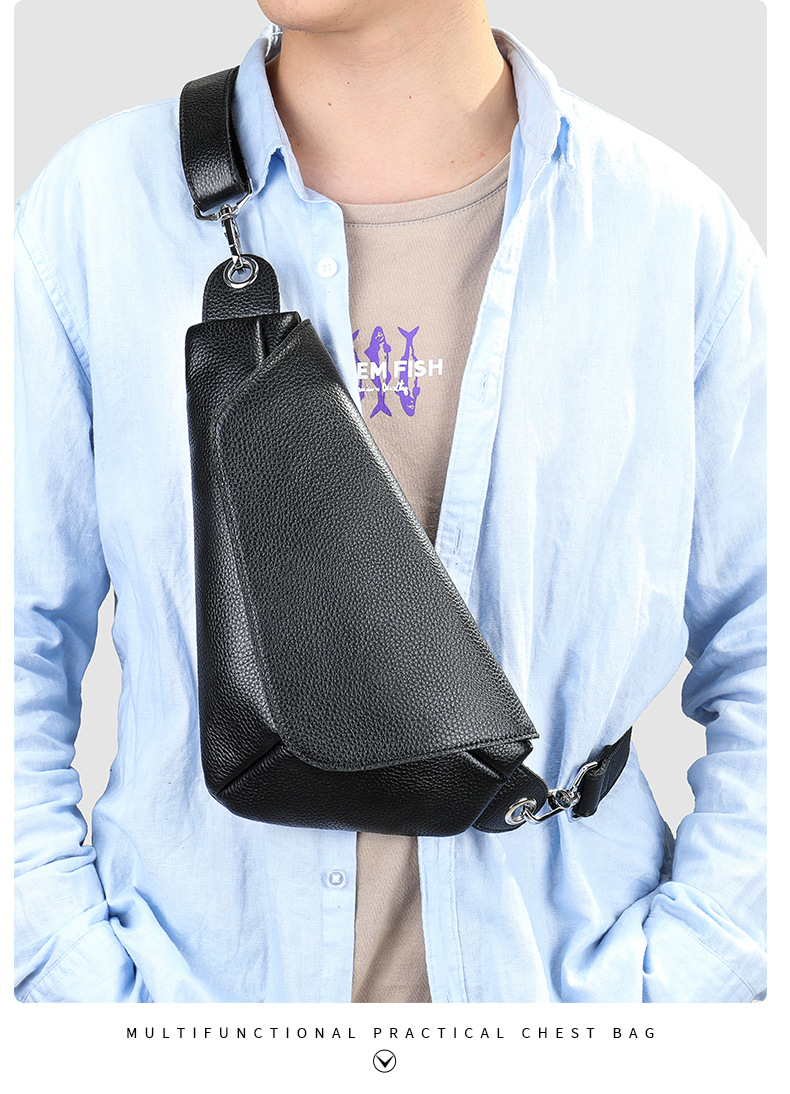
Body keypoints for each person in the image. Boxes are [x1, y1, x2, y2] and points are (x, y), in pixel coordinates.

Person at [14, 0, 766, 1004]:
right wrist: (79, 989)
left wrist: (690, 978)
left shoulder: (670, 235)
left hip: (572, 1026)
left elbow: (765, 642)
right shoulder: (97, 211)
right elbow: (17, 637)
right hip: (188, 1020)